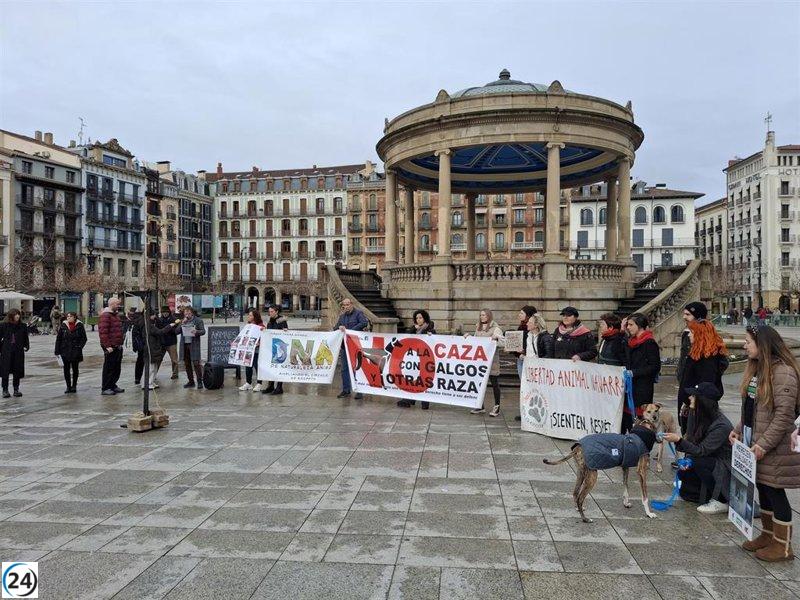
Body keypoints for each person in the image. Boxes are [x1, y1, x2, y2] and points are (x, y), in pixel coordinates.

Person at [730, 325, 800, 562]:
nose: (744, 345)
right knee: (763, 489)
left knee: (775, 492)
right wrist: (738, 430)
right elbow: (752, 408)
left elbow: (784, 417)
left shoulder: (783, 373)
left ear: (763, 344)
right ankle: (768, 535)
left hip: (773, 448)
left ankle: (783, 546)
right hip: (754, 442)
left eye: (748, 341)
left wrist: (763, 444)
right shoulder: (757, 369)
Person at [663, 382, 732, 514]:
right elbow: (691, 440)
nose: (690, 398)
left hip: (723, 466)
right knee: (685, 489)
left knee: (697, 462)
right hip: (710, 459)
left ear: (703, 401)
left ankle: (722, 500)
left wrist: (678, 440)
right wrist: (689, 416)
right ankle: (704, 492)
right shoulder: (700, 416)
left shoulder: (721, 426)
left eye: (694, 397)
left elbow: (701, 450)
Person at [677, 318, 729, 434]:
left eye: (691, 332)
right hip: (691, 406)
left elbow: (706, 387)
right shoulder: (696, 354)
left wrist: (692, 401)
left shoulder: (708, 359)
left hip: (699, 410)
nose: (689, 335)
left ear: (700, 334)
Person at [622, 312, 661, 433]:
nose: (628, 327)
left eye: (630, 325)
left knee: (639, 423)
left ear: (639, 326)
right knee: (626, 421)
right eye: (627, 325)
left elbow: (655, 366)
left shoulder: (649, 343)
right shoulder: (631, 341)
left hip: (642, 388)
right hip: (630, 387)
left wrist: (634, 372)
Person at [515, 312, 553, 421]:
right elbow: (530, 351)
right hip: (528, 367)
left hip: (539, 369)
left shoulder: (545, 337)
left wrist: (537, 360)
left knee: (540, 391)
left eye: (530, 322)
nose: (527, 324)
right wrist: (523, 353)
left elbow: (549, 355)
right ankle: (525, 412)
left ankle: (543, 414)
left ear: (536, 325)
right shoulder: (529, 335)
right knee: (527, 390)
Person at [397, 309, 436, 409]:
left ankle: (425, 402)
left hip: (426, 360)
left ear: (425, 318)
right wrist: (413, 329)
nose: (418, 320)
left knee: (425, 379)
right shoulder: (414, 329)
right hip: (415, 359)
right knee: (413, 379)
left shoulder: (430, 330)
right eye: (417, 318)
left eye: (420, 318)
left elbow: (434, 341)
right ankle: (409, 399)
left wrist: (431, 336)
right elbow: (407, 337)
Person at [469, 309, 505, 417]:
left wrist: (496, 338)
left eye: (484, 315)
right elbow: (475, 342)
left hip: (492, 360)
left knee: (494, 383)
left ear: (489, 316)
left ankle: (497, 406)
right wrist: (468, 337)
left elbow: (503, 343)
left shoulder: (496, 329)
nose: (482, 317)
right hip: (480, 361)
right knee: (479, 384)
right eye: (480, 315)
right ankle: (480, 406)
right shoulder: (478, 327)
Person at [334, 298, 369, 399]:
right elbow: (335, 328)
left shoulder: (359, 314)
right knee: (344, 369)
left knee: (357, 368)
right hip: (344, 346)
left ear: (352, 304)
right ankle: (346, 390)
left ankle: (359, 390)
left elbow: (363, 323)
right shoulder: (341, 317)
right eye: (344, 305)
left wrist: (349, 331)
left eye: (348, 304)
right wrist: (339, 328)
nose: (346, 307)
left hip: (356, 346)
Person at [139, 311, 181, 390]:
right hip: (150, 348)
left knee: (154, 366)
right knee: (150, 367)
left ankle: (150, 382)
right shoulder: (148, 325)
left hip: (154, 347)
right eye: (153, 315)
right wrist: (170, 326)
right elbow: (160, 332)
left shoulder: (151, 323)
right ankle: (146, 383)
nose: (155, 316)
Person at [54, 312, 87, 393]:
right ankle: (68, 386)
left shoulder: (79, 325)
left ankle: (74, 386)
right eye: (67, 316)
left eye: (70, 316)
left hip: (75, 350)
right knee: (66, 369)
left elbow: (84, 338)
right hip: (65, 350)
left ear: (74, 317)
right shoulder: (63, 325)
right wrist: (57, 350)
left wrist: (79, 347)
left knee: (75, 369)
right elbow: (59, 339)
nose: (68, 318)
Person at [0, 309, 29, 398]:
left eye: (18, 315)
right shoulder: (4, 325)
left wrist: (26, 346)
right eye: (15, 315)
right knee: (5, 370)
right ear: (11, 316)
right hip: (6, 351)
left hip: (18, 351)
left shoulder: (22, 326)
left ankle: (16, 389)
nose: (17, 316)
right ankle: (5, 390)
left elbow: (25, 338)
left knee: (17, 370)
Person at [99, 297, 125, 396]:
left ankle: (112, 384)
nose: (119, 306)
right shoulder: (106, 316)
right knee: (109, 368)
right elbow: (103, 332)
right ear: (112, 304)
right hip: (111, 346)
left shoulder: (115, 315)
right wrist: (107, 346)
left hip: (117, 345)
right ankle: (106, 387)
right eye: (117, 304)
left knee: (116, 367)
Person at [677, 301, 707, 385]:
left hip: (699, 387)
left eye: (688, 314)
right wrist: (680, 373)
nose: (684, 317)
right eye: (684, 314)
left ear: (698, 317)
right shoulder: (686, 334)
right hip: (684, 383)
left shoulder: (708, 336)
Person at [262, 304, 289, 395]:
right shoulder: (270, 320)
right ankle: (270, 386)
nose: (270, 313)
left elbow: (285, 331)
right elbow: (269, 331)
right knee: (271, 367)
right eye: (269, 312)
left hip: (279, 347)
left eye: (272, 311)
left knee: (279, 367)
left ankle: (279, 387)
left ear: (276, 312)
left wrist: (285, 330)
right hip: (272, 347)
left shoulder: (281, 320)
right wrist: (265, 330)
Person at [239, 309, 266, 392]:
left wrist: (259, 343)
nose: (249, 317)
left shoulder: (261, 326)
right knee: (248, 366)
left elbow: (265, 337)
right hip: (248, 349)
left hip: (257, 350)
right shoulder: (248, 325)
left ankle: (259, 383)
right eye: (249, 315)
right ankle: (248, 383)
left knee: (256, 365)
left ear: (255, 317)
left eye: (251, 315)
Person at [180, 306, 206, 389]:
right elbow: (176, 331)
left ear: (192, 313)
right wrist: (182, 323)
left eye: (189, 313)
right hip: (185, 345)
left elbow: (203, 331)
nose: (187, 315)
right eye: (185, 313)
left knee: (196, 363)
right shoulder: (183, 321)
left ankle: (199, 381)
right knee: (187, 364)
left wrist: (196, 331)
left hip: (194, 344)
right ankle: (191, 381)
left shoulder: (198, 320)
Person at [511, 306, 537, 378]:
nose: (519, 315)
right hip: (521, 359)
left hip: (532, 360)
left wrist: (524, 351)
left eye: (522, 313)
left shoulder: (534, 331)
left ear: (528, 316)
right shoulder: (520, 327)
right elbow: (516, 344)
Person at [155, 306, 180, 380]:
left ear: (169, 312)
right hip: (162, 343)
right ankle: (153, 374)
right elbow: (157, 330)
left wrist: (170, 329)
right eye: (163, 312)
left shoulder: (174, 319)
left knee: (174, 360)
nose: (165, 314)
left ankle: (175, 374)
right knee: (158, 359)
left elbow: (177, 330)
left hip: (172, 342)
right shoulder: (159, 320)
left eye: (166, 312)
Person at [130, 311, 147, 387]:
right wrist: (135, 345)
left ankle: (140, 377)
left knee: (141, 361)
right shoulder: (140, 321)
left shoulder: (149, 320)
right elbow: (134, 334)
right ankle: (138, 378)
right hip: (142, 344)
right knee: (140, 361)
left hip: (145, 344)